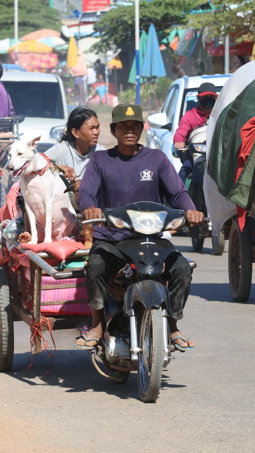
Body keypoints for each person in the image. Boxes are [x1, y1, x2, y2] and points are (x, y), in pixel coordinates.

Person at [77, 104, 203, 350]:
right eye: (123, 126)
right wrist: (90, 208)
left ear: (142, 129)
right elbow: (87, 192)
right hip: (112, 239)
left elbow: (177, 192)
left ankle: (173, 325)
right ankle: (97, 323)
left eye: (135, 126)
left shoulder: (157, 159)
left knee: (181, 269)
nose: (129, 130)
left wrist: (191, 210)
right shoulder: (101, 160)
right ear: (114, 130)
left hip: (151, 239)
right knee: (95, 265)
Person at [172, 82, 218, 182]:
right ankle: (179, 195)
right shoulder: (190, 116)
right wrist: (179, 141)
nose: (208, 101)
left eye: (211, 97)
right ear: (198, 99)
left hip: (217, 153)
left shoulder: (222, 114)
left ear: (216, 98)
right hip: (194, 154)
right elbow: (181, 131)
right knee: (184, 172)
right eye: (205, 98)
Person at [45, 107, 101, 186]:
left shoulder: (100, 153)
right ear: (75, 133)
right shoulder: (62, 149)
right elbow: (37, 162)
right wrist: (60, 167)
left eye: (97, 127)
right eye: (91, 128)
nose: (96, 132)